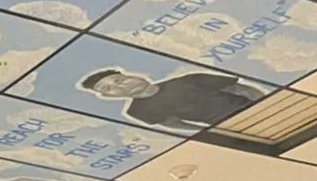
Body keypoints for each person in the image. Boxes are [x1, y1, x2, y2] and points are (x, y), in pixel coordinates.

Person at [79, 67, 267, 133]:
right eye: (108, 89)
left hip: (254, 109)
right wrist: (213, 132)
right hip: (230, 127)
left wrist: (265, 107)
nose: (122, 86)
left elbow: (243, 89)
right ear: (107, 97)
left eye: (119, 80)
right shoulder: (136, 112)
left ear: (133, 75)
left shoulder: (188, 80)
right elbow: (174, 124)